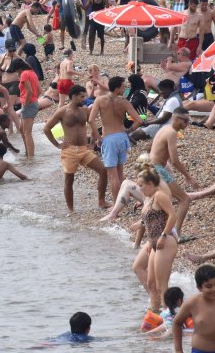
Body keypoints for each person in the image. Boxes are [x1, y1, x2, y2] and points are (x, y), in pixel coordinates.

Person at [43, 85, 108, 212]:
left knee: (103, 171)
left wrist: (93, 143)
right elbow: (46, 128)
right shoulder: (62, 111)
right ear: (73, 97)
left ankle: (101, 201)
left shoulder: (85, 110)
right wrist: (57, 145)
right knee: (69, 180)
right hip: (69, 150)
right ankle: (71, 210)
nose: (84, 99)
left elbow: (93, 125)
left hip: (84, 149)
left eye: (84, 96)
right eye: (82, 97)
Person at [131, 165, 178, 319]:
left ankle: (170, 317)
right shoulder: (149, 197)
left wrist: (164, 236)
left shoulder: (159, 195)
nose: (139, 189)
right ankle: (155, 313)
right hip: (154, 242)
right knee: (151, 284)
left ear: (150, 184)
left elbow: (172, 215)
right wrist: (141, 224)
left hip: (165, 241)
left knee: (161, 284)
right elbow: (154, 217)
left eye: (141, 185)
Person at [89, 76, 142, 205]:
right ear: (117, 88)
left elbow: (91, 120)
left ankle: (116, 205)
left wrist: (98, 137)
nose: (125, 89)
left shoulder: (100, 100)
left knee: (112, 175)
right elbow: (139, 120)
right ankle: (123, 200)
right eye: (123, 86)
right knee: (120, 173)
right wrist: (129, 131)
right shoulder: (124, 102)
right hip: (122, 137)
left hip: (109, 138)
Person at [149, 110, 197, 235]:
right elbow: (175, 161)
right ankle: (176, 234)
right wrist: (188, 177)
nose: (187, 123)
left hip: (151, 167)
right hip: (157, 169)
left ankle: (147, 237)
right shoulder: (171, 133)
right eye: (185, 120)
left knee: (156, 202)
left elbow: (165, 154)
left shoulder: (165, 128)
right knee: (184, 200)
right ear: (176, 119)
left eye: (189, 121)